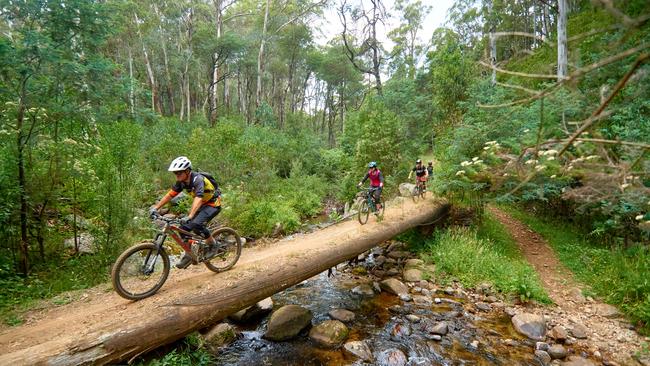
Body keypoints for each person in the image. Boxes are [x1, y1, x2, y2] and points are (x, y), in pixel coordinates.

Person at [149, 156, 222, 269]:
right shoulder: (181, 182)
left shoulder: (197, 179)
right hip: (202, 205)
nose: (177, 175)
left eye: (179, 173)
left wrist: (190, 215)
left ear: (187, 171)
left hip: (213, 205)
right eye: (175, 173)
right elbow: (170, 195)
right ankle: (189, 253)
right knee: (183, 228)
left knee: (196, 224)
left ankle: (213, 244)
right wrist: (156, 208)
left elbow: (198, 198)